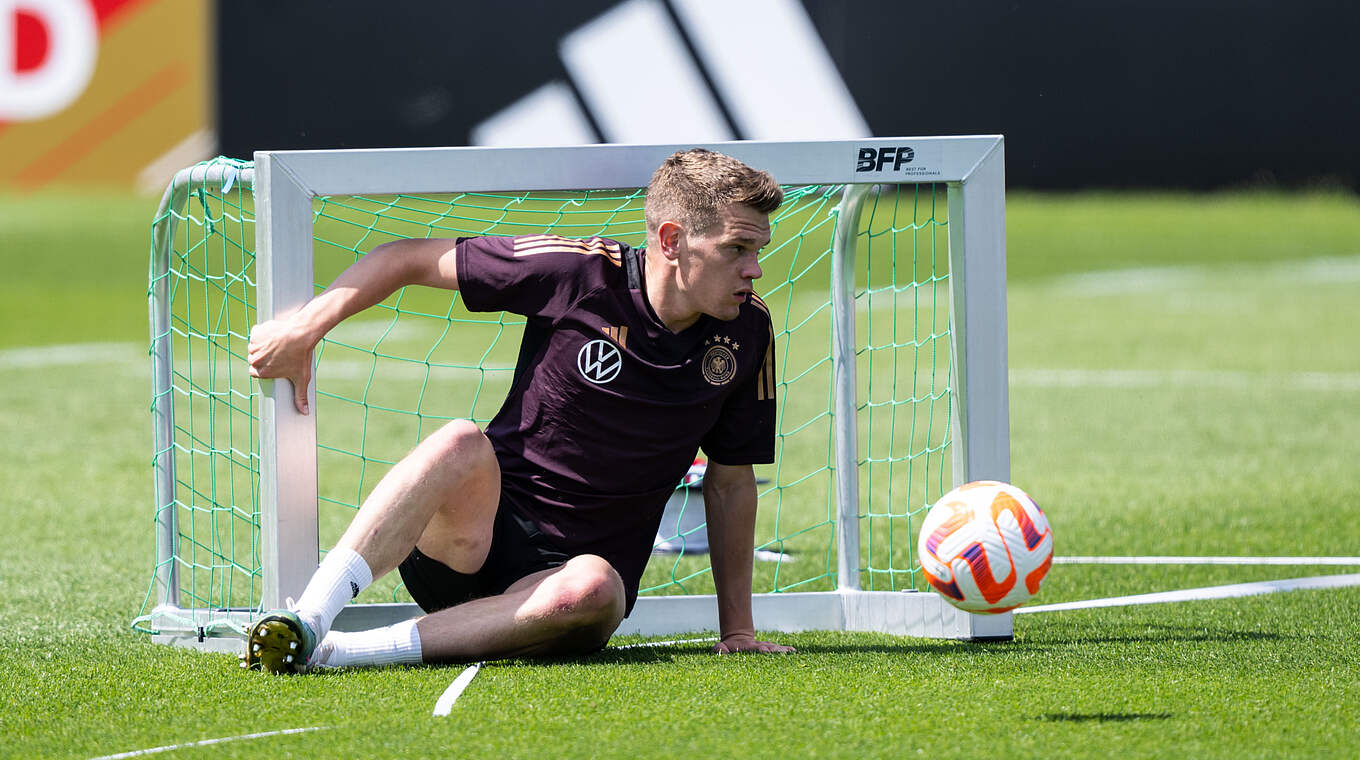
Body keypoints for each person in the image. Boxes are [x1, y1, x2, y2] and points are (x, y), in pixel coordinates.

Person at [242, 148, 796, 673]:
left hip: (566, 591)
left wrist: (738, 631)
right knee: (460, 439)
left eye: (757, 252)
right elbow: (407, 257)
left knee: (597, 588)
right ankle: (307, 618)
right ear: (673, 241)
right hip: (471, 541)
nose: (754, 270)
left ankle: (341, 653)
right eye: (736, 249)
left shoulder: (749, 331)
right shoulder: (579, 273)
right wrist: (305, 329)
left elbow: (728, 483)